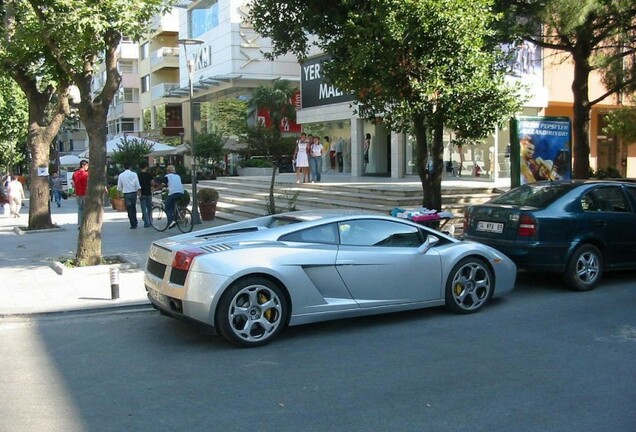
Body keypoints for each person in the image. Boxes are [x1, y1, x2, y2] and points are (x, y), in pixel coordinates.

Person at [117, 162, 141, 229]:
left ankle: (132, 223)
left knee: (129, 209)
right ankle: (135, 221)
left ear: (124, 167)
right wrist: (139, 192)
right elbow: (137, 184)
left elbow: (119, 186)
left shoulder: (121, 175)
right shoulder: (134, 174)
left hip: (126, 193)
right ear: (130, 167)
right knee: (133, 207)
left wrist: (119, 194)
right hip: (133, 193)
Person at [160, 165, 184, 229]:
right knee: (172, 204)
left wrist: (156, 189)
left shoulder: (167, 176)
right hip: (181, 192)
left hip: (173, 193)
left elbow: (163, 185)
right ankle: (175, 218)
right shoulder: (178, 176)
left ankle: (171, 221)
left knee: (167, 207)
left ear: (168, 171)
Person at [71, 160, 89, 228]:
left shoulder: (75, 173)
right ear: (83, 165)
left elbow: (73, 183)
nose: (87, 167)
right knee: (85, 209)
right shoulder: (86, 174)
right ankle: (85, 223)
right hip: (85, 193)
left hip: (78, 193)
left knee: (80, 208)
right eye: (87, 165)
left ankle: (79, 224)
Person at [137, 161, 154, 228]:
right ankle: (150, 221)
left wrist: (138, 192)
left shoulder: (138, 175)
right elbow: (152, 183)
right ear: (146, 167)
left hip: (141, 193)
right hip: (148, 192)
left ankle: (146, 223)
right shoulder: (149, 175)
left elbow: (136, 184)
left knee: (143, 208)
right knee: (149, 208)